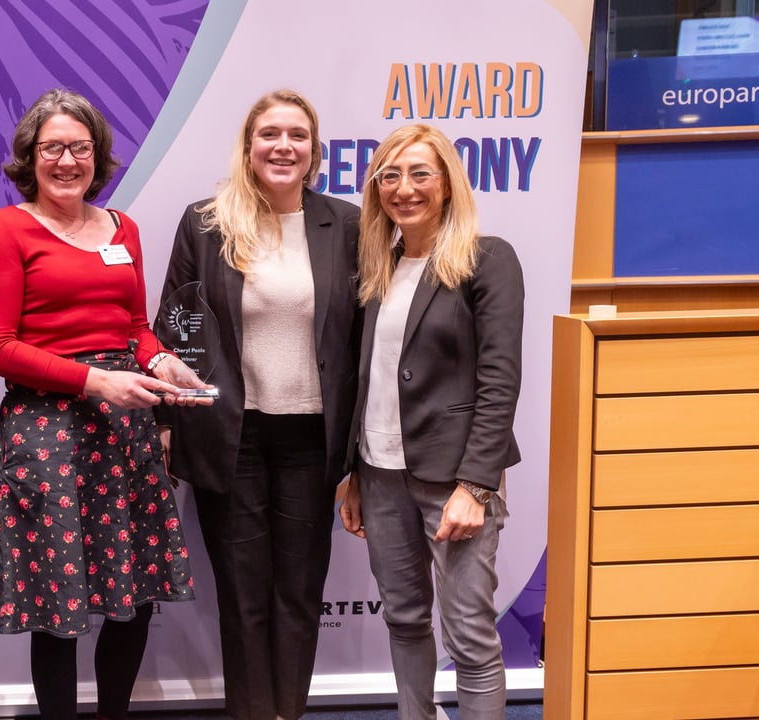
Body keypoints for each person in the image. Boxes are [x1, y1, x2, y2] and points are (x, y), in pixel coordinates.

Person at [0, 88, 204, 720]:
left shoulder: (122, 227)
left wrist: (159, 359)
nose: (67, 161)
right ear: (31, 156)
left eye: (79, 147)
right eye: (53, 148)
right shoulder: (8, 228)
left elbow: (132, 324)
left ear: (97, 155)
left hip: (124, 426)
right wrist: (93, 382)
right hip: (47, 432)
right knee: (59, 599)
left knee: (135, 590)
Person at [155, 89, 360, 720]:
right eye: (270, 134)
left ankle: (288, 712)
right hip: (229, 435)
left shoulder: (347, 224)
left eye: (297, 135)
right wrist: (167, 423)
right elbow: (177, 326)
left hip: (310, 438)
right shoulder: (207, 222)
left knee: (298, 593)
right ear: (249, 147)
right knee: (243, 597)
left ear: (314, 152)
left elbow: (360, 336)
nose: (283, 146)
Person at [338, 123, 524, 720]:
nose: (404, 188)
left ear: (446, 183)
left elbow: (501, 381)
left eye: (420, 173)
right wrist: (356, 473)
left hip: (455, 480)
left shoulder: (487, 258)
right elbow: (366, 378)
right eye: (389, 175)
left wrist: (477, 484)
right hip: (381, 474)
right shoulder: (378, 266)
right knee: (405, 619)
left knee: (469, 635)